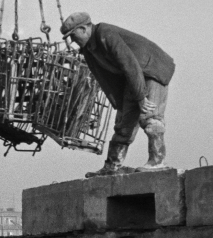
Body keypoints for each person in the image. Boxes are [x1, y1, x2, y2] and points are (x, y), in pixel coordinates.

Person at [60, 11, 175, 177]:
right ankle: (112, 167)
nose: (72, 41)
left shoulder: (105, 33)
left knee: (150, 117)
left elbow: (130, 64)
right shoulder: (89, 50)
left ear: (84, 29)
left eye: (73, 35)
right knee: (123, 124)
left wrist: (141, 97)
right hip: (134, 77)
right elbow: (107, 79)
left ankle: (157, 161)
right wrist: (121, 105)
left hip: (152, 70)